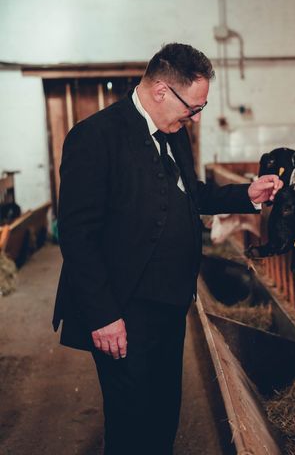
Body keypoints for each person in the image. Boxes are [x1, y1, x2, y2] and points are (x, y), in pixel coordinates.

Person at [52, 43, 283, 454]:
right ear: (161, 91)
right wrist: (104, 314)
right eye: (193, 108)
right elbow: (77, 235)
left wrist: (246, 194)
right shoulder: (95, 137)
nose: (194, 118)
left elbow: (191, 194)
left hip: (171, 303)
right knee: (131, 421)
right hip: (122, 309)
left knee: (163, 412)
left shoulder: (172, 135)